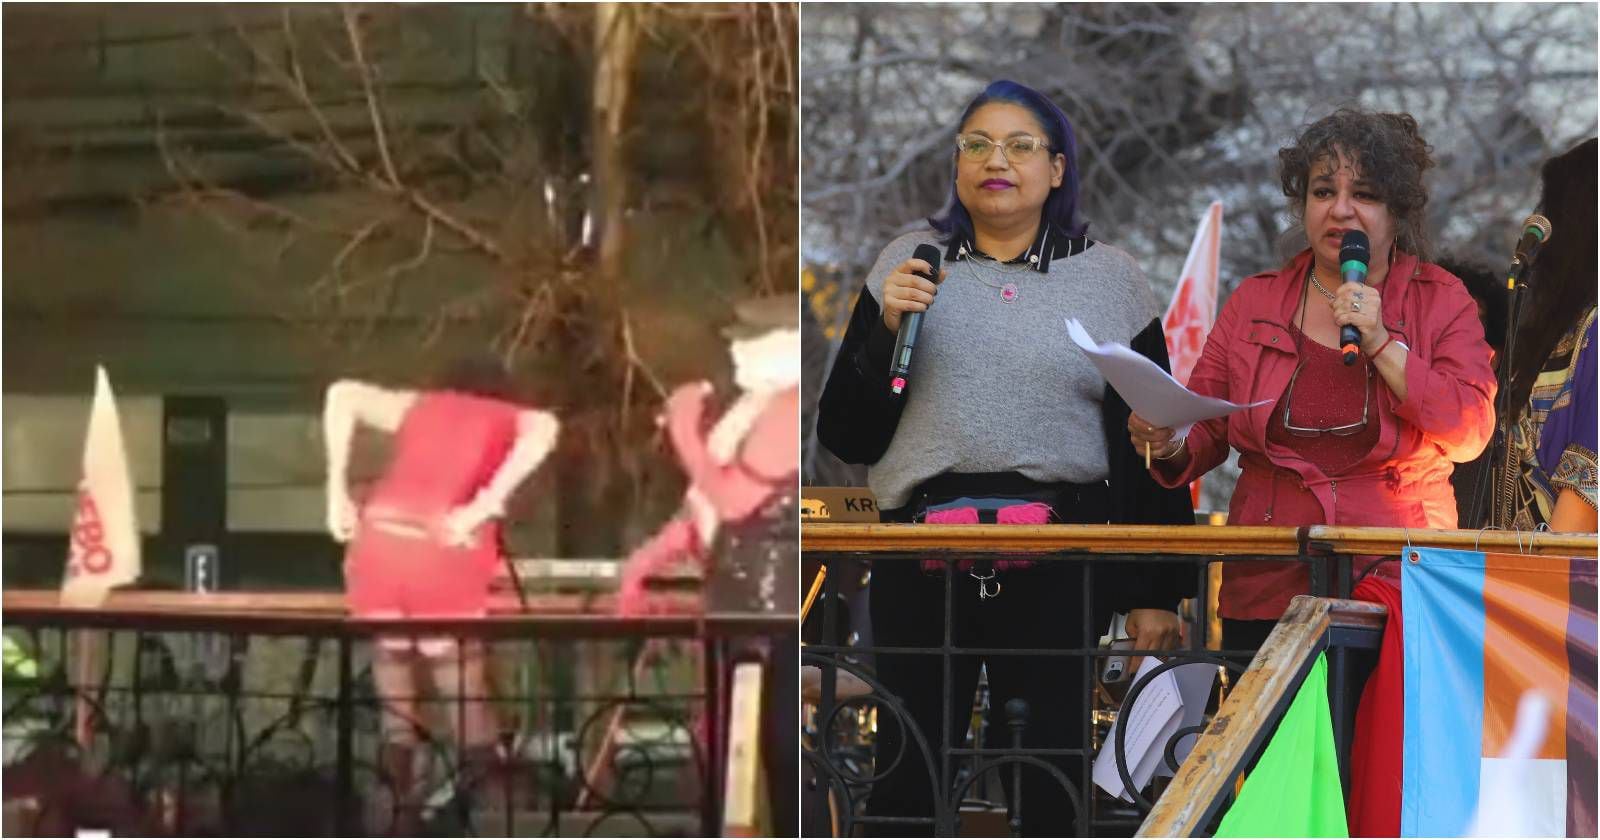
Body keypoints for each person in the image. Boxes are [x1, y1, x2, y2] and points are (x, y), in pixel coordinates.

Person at [816, 79, 1194, 836]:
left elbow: (1147, 432)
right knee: (906, 776)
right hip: (921, 559)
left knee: (1045, 774)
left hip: (1057, 560)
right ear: (956, 166)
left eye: (1021, 146)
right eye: (978, 145)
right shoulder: (910, 262)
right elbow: (848, 435)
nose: (998, 160)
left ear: (1057, 169)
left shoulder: (1109, 277)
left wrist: (1157, 588)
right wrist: (886, 326)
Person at [1127, 108, 1496, 652]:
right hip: (1270, 579)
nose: (1341, 210)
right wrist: (1167, 442)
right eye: (1323, 192)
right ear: (1303, 206)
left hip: (1399, 578)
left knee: (1379, 739)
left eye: (1364, 194)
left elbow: (1469, 430)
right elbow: (1205, 430)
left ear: (1398, 212)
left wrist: (1381, 343)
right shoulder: (1256, 300)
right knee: (1277, 740)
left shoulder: (1441, 299)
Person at [322, 355, 559, 831]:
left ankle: (392, 820)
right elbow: (546, 428)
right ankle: (490, 822)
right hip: (444, 546)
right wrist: (485, 505)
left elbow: (341, 392)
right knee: (463, 694)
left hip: (379, 540)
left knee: (395, 708)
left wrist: (336, 491)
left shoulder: (417, 405)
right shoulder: (507, 415)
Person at [615, 297, 800, 835]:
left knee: (776, 748)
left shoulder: (794, 406)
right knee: (728, 742)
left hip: (778, 604)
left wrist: (683, 434)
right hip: (742, 596)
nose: (737, 350)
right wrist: (647, 559)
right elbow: (706, 504)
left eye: (751, 339)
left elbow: (736, 500)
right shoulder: (756, 406)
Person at [1491, 137, 1597, 532]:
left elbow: (1587, 494)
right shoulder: (1557, 330)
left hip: (1557, 582)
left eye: (1553, 208)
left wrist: (1532, 582)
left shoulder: (1595, 330)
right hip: (1515, 572)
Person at [1436, 256, 1507, 525]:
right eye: (1449, 327)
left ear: (1496, 355)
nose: (1461, 338)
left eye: (1476, 327)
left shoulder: (1507, 441)